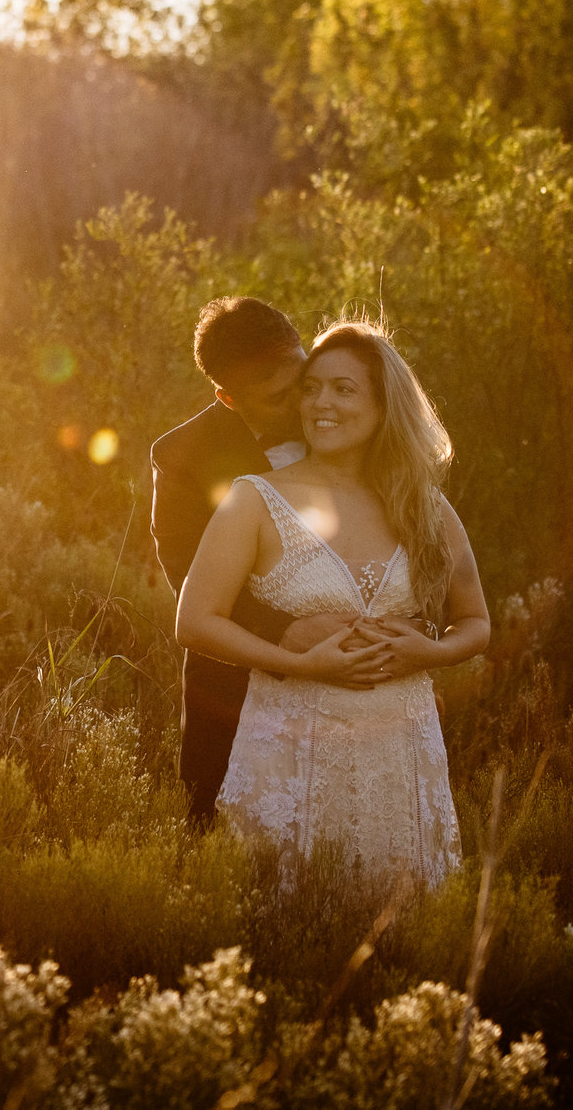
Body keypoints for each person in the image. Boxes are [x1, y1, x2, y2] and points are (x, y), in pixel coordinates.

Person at [173, 319, 491, 886]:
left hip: (400, 755)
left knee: (405, 924)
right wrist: (298, 663)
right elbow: (194, 622)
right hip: (288, 755)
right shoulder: (252, 500)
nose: (320, 401)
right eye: (313, 387)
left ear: (383, 404)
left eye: (344, 389)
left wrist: (429, 652)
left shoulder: (425, 508)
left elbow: (475, 623)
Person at [148, 296, 310, 818]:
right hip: (237, 682)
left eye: (300, 383)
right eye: (275, 398)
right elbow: (185, 571)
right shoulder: (181, 457)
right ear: (229, 397)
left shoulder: (345, 409)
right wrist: (292, 632)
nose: (299, 408)